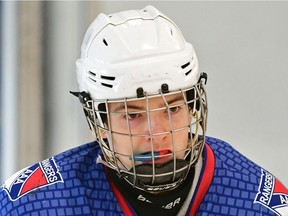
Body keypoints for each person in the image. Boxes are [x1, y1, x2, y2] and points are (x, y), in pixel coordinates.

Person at [1, 5, 287, 216]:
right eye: (132, 114)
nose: (157, 133)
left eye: (172, 108)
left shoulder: (255, 201)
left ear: (193, 108)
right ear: (98, 120)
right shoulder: (36, 204)